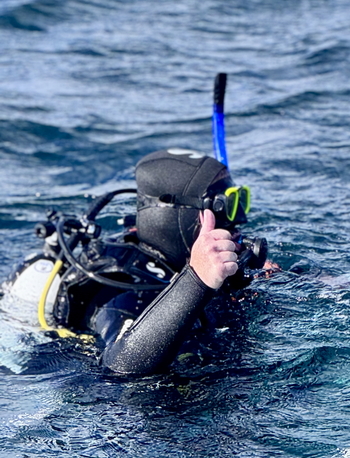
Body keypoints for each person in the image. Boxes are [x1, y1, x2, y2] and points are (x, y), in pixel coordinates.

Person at [2, 148, 268, 376]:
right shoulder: (122, 292)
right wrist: (197, 280)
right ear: (178, 215)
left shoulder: (187, 261)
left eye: (240, 199)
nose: (239, 220)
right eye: (225, 206)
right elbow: (119, 368)